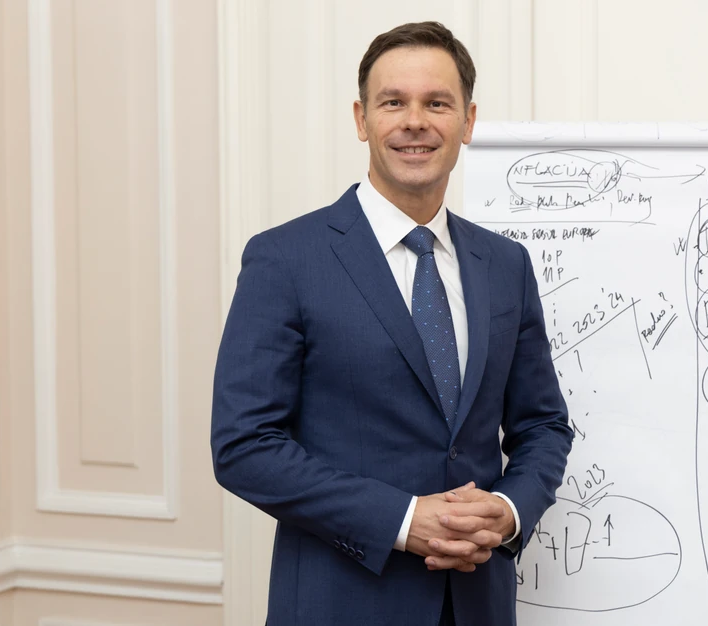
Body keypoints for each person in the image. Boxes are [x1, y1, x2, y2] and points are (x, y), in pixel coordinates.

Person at [211, 21, 572, 626]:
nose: (415, 122)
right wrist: (402, 520)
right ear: (361, 119)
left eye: (437, 103)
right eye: (393, 102)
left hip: (479, 603)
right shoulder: (285, 259)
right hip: (340, 605)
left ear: (468, 121)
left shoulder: (505, 265)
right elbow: (243, 446)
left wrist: (509, 511)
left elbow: (542, 424)